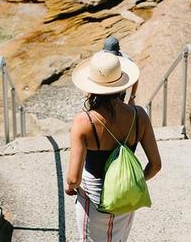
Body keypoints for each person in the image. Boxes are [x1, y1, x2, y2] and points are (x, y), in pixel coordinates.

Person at [66, 51, 162, 241]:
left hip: (94, 201)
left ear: (90, 88)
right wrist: (131, 182)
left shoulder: (83, 122)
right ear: (121, 86)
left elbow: (74, 178)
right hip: (125, 200)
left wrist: (70, 187)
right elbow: (156, 165)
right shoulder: (139, 115)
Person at [102, 36, 138, 104]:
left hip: (119, 94)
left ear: (118, 51)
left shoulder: (127, 60)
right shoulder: (99, 57)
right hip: (103, 92)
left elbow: (135, 78)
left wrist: (132, 97)